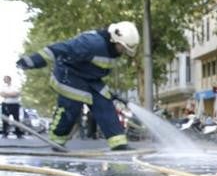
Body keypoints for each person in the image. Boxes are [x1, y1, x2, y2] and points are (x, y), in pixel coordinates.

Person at [16, 21, 140, 151]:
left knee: (105, 104)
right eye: (124, 47)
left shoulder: (114, 50)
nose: (124, 51)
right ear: (115, 40)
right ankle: (57, 142)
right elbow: (61, 48)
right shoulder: (91, 43)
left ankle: (118, 144)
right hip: (69, 75)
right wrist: (33, 60)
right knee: (71, 107)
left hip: (90, 78)